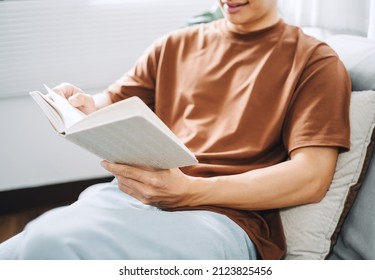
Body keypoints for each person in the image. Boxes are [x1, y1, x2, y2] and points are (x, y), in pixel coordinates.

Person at [0, 0, 351, 260]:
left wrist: (190, 192)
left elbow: (312, 176)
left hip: (221, 216)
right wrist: (78, 105)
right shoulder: (174, 46)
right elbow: (110, 101)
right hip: (131, 195)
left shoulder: (314, 61)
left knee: (51, 246)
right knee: (19, 254)